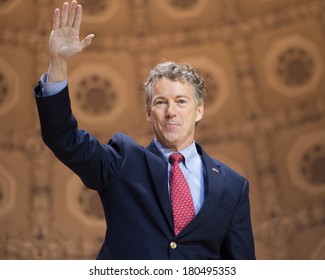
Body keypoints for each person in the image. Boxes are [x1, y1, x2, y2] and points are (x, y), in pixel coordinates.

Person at [35, 1, 255, 259]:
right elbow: (63, 137)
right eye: (161, 102)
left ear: (199, 111)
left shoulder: (233, 185)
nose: (171, 111)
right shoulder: (122, 160)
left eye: (181, 101)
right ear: (148, 113)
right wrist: (58, 63)